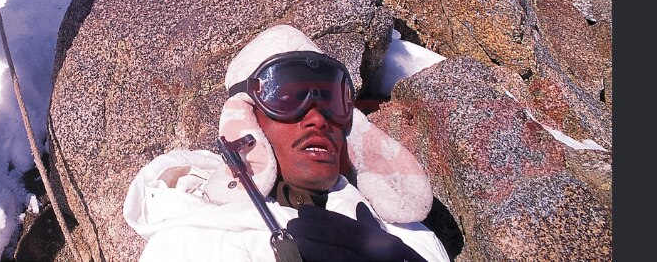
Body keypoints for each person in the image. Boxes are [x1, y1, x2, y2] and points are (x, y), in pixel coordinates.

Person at [124, 24, 450, 262]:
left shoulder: (409, 237)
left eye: (330, 99)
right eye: (287, 97)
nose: (317, 118)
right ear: (247, 121)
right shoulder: (187, 245)